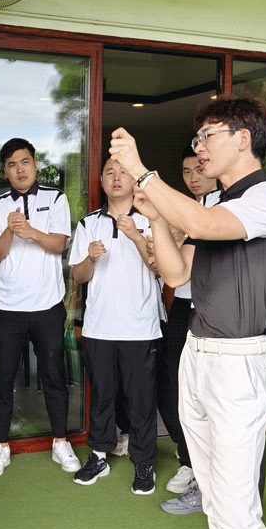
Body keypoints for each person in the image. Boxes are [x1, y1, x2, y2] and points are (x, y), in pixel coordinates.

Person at [110, 95, 266, 529]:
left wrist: (147, 177)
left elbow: (205, 224)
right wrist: (157, 215)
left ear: (243, 139)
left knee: (239, 513)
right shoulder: (212, 201)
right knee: (217, 503)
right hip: (199, 352)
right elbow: (176, 273)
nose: (200, 147)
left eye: (209, 135)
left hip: (241, 363)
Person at [0, 138, 78, 477]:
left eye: (24, 162)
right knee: (3, 378)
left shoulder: (56, 197)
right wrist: (10, 229)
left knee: (54, 376)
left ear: (35, 164)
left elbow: (59, 245)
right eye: (11, 164)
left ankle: (61, 442)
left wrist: (31, 231)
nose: (19, 169)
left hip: (48, 306)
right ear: (5, 171)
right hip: (7, 307)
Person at [68, 158, 162, 494]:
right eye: (109, 172)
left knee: (140, 399)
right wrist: (90, 258)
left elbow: (161, 268)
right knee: (103, 396)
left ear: (135, 180)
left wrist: (137, 236)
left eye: (123, 172)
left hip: (141, 327)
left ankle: (144, 462)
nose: (116, 177)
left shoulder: (153, 220)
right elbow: (78, 277)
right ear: (102, 183)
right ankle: (98, 455)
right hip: (99, 327)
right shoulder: (88, 223)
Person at [157, 147, 217, 509]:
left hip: (213, 310)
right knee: (169, 388)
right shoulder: (181, 211)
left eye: (199, 168)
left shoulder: (224, 209)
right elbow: (169, 267)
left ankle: (206, 472)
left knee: (206, 394)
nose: (193, 175)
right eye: (186, 170)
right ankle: (188, 458)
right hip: (182, 304)